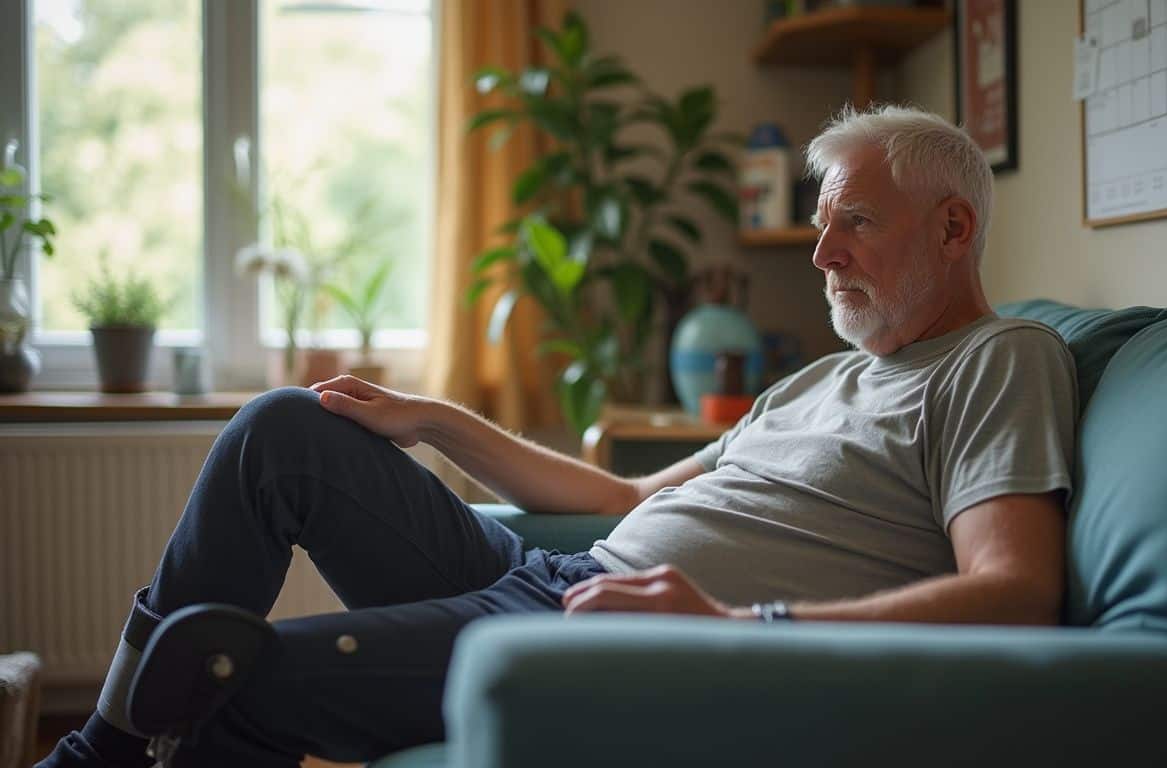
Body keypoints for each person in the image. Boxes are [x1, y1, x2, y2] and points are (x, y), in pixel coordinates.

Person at [38, 104, 1077, 768]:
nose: (820, 254)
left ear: (953, 228)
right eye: (818, 225)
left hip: (616, 638)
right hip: (559, 570)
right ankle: (100, 752)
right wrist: (432, 422)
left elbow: (1016, 594)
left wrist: (736, 622)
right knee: (281, 428)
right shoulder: (820, 377)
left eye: (854, 222)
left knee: (238, 685)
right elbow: (626, 499)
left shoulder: (1001, 360)